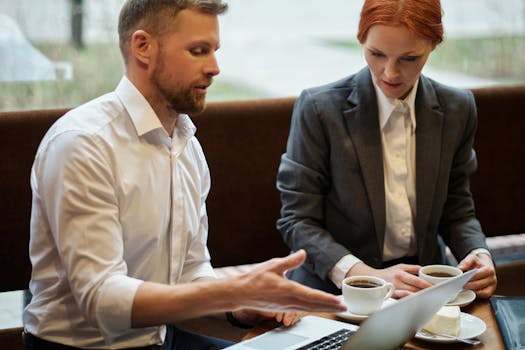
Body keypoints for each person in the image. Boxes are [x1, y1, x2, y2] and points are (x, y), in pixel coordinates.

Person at [22, 1, 346, 349]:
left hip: (163, 337)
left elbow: (189, 273)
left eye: (214, 51)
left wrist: (240, 308)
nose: (215, 68)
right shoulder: (83, 144)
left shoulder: (186, 145)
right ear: (142, 47)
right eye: (198, 51)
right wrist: (229, 291)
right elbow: (102, 300)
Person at [276, 0, 497, 300]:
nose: (390, 73)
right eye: (376, 54)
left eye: (409, 58)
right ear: (361, 39)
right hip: (334, 291)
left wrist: (477, 253)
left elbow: (457, 209)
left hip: (425, 288)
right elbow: (297, 220)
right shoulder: (319, 110)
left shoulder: (457, 109)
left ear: (433, 45)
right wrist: (364, 275)